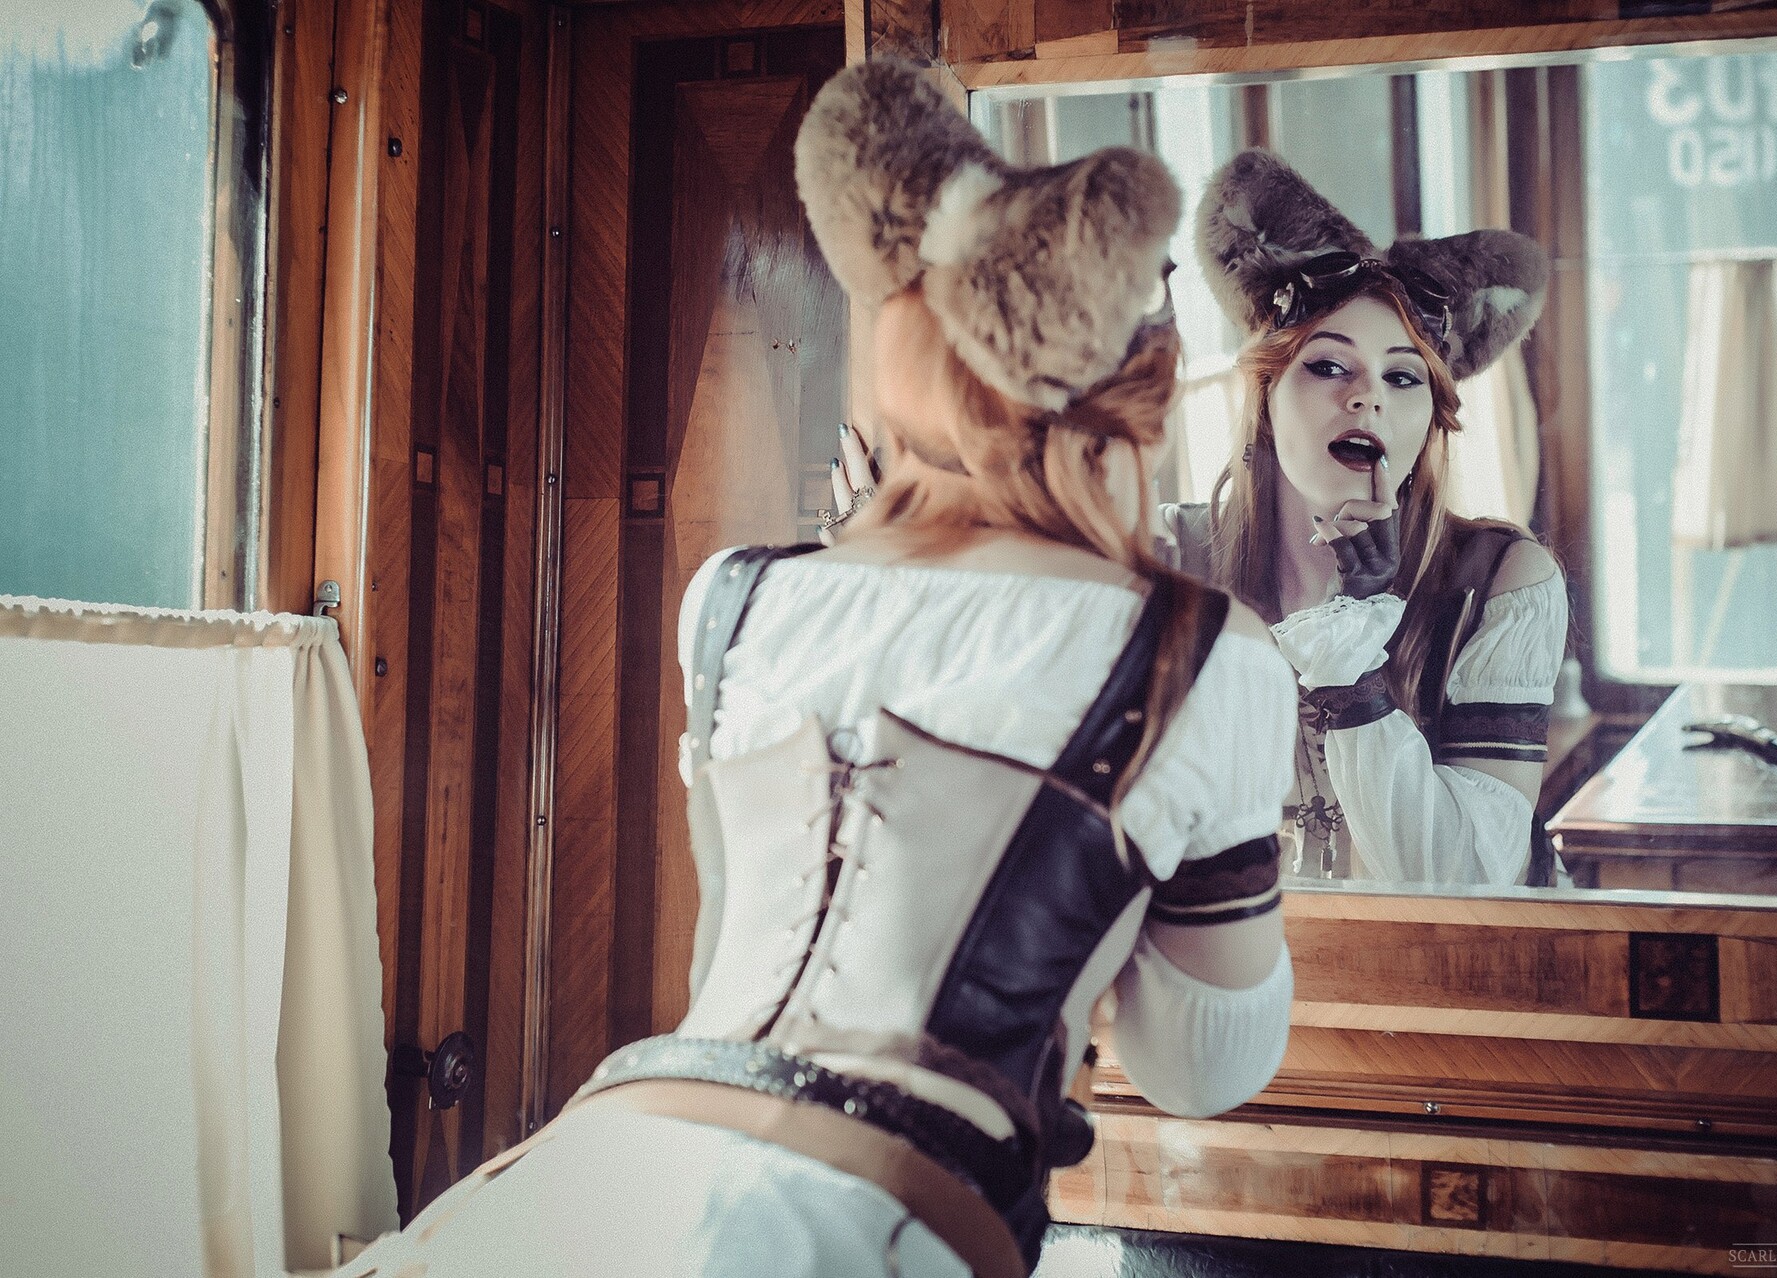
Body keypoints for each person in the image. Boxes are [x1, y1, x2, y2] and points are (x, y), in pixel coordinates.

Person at [335, 60, 1295, 1278]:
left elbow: (723, 962)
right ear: (1141, 400)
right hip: (866, 1222)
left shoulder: (736, 597)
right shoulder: (1204, 656)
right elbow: (1201, 1069)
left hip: (590, 1173)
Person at [1160, 149, 1570, 889]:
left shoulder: (1503, 582)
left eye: (1403, 376)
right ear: (1265, 394)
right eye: (1327, 365)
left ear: (1430, 418)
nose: (1367, 397)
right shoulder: (1170, 559)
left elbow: (1463, 882)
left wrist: (1355, 659)